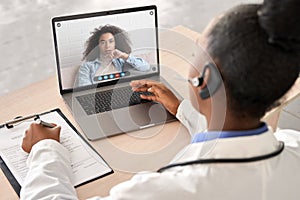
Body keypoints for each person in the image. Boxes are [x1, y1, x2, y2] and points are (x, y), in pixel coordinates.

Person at [20, 0, 300, 199]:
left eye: (195, 54)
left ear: (204, 81)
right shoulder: (293, 147)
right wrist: (181, 108)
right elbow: (231, 141)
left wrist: (45, 150)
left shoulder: (165, 191)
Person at [77, 24, 150, 86]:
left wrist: (123, 56)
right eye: (103, 42)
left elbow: (145, 67)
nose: (107, 46)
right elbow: (84, 88)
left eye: (111, 41)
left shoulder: (120, 61)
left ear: (116, 43)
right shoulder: (87, 66)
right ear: (97, 46)